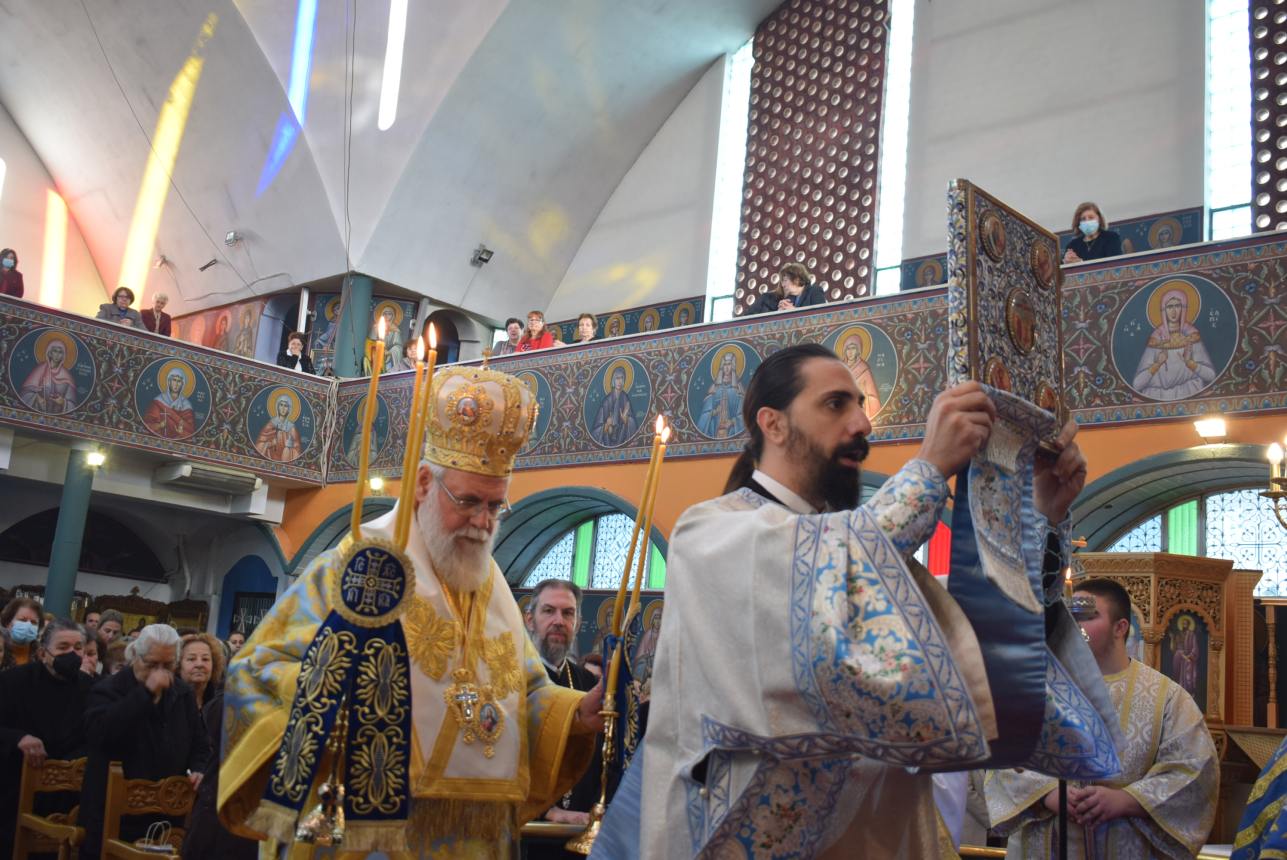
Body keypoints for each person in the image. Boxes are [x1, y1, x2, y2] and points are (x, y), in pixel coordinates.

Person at [596, 342, 1091, 858]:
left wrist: (1041, 513)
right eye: (836, 404)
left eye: (860, 404)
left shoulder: (855, 550)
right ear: (773, 423)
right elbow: (822, 572)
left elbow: (979, 646)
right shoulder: (712, 532)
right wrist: (927, 469)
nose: (862, 424)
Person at [220, 364, 604, 856]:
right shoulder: (359, 566)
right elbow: (254, 671)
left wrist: (576, 714)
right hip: (371, 833)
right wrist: (335, 697)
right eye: (468, 501)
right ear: (424, 483)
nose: (482, 521)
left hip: (477, 835)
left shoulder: (490, 585)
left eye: (495, 507)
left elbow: (525, 692)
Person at [986, 578, 1218, 858]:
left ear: (1120, 628)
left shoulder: (1167, 697)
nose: (1074, 625)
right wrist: (1048, 794)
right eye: (1069, 616)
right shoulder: (1036, 688)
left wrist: (1127, 799)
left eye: (1087, 616)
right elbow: (1004, 758)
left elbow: (1193, 770)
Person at [79, 623, 209, 860]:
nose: (159, 672)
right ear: (134, 656)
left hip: (168, 812)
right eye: (151, 664)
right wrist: (145, 694)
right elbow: (101, 734)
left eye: (167, 665)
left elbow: (200, 744)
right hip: (114, 812)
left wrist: (199, 768)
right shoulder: (108, 689)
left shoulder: (182, 693)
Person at [0, 618, 92, 857]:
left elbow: (94, 734)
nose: (72, 654)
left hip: (67, 795)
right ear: (43, 653)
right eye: (63, 647)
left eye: (78, 647)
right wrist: (18, 738)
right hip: (14, 787)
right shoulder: (12, 681)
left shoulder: (90, 687)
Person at [525, 580, 603, 837]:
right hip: (528, 832)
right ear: (529, 620)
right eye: (549, 611)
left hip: (581, 830)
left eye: (568, 613)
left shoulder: (588, 683)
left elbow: (603, 759)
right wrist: (546, 811)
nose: (559, 621)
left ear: (577, 624)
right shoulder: (511, 680)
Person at [1130, 286, 1216, 401]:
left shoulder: (1191, 337)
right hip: (1158, 396)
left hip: (1189, 392)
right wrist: (1157, 364)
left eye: (1177, 306)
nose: (1174, 311)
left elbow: (1210, 375)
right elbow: (1137, 384)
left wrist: (1189, 363)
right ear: (1163, 310)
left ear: (1183, 308)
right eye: (1169, 307)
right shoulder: (1156, 339)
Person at [19, 333, 79, 414]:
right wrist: (37, 398)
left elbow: (73, 404)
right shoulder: (40, 370)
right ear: (49, 353)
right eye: (55, 351)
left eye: (60, 352)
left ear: (63, 355)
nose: (57, 355)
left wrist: (63, 402)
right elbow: (25, 392)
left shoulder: (67, 376)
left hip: (57, 415)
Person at [749, 262, 827, 314]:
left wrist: (794, 311)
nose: (783, 285)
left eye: (785, 280)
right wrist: (779, 313)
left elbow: (821, 316)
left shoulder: (815, 291)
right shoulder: (789, 298)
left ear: (796, 279)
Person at [143, 365, 197, 439]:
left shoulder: (186, 405)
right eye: (174, 380)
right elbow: (148, 424)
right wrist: (159, 425)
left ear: (182, 384)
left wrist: (181, 432)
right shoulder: (158, 401)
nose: (176, 384)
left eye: (179, 381)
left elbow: (190, 431)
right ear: (169, 382)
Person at [254, 391, 304, 462]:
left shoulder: (292, 428)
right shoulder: (271, 424)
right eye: (281, 405)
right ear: (277, 407)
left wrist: (289, 446)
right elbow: (259, 443)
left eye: (286, 406)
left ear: (289, 409)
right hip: (269, 457)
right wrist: (269, 444)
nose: (283, 408)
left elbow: (297, 449)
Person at [179, 632, 223, 711]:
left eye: (205, 659)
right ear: (178, 664)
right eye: (191, 659)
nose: (199, 664)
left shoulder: (221, 701)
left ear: (214, 664)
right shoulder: (168, 700)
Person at [1, 596, 42, 669]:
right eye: (22, 620)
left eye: (33, 622)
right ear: (8, 622)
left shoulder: (41, 656)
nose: (28, 625)